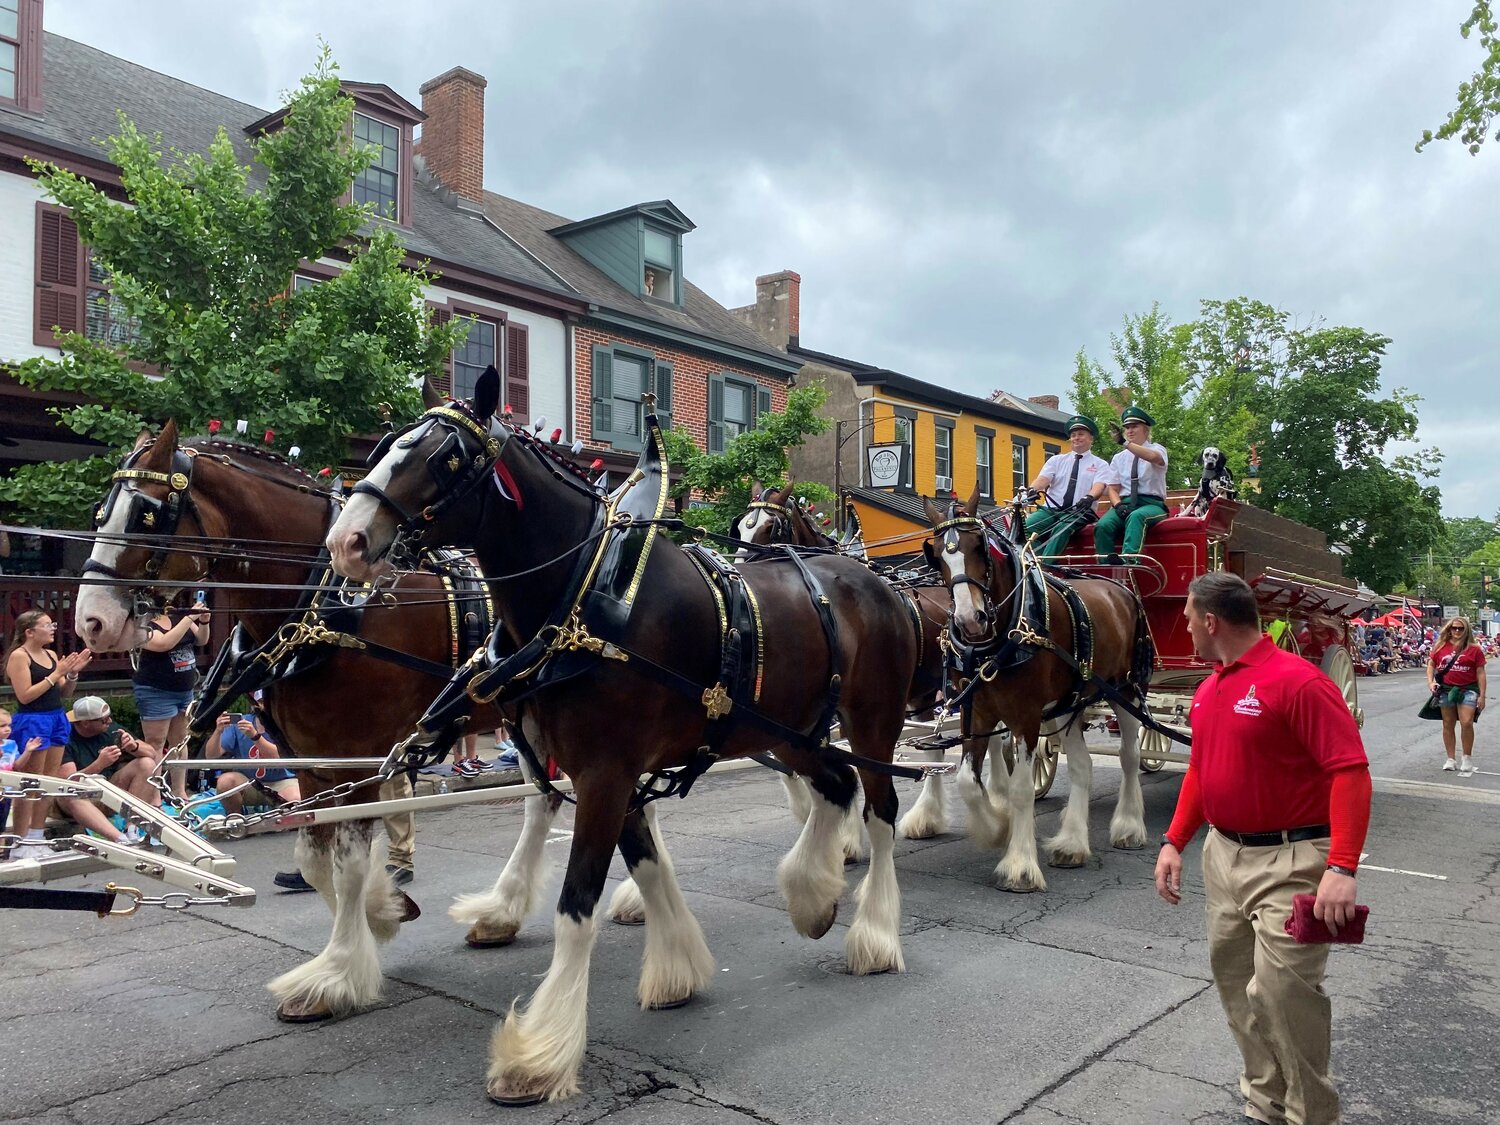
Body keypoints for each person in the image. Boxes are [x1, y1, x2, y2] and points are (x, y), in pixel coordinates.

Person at [1155, 573, 1371, 1125]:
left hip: (1293, 862)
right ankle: (1266, 1102)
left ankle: (1311, 1114)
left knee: (1284, 997)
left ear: (1211, 621)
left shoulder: (1297, 683)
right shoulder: (1211, 688)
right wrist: (1174, 841)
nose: (1184, 627)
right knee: (1236, 991)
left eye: (1187, 618)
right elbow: (1201, 771)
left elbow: (1349, 771)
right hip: (1224, 856)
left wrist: (1342, 866)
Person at [4, 610, 93, 857]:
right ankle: (19, 842)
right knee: (30, 782)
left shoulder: (51, 654)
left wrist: (72, 673)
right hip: (33, 719)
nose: (52, 628)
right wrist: (56, 674)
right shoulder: (19, 657)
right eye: (46, 625)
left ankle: (36, 835)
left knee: (49, 780)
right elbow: (25, 695)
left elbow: (64, 692)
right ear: (29, 632)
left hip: (56, 716)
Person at [133, 595, 211, 801]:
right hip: (156, 690)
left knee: (180, 741)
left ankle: (179, 791)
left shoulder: (179, 616)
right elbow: (164, 643)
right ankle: (154, 794)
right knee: (156, 743)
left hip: (184, 690)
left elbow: (202, 639)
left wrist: (203, 622)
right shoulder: (142, 626)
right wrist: (189, 618)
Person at [1022, 415, 1111, 557]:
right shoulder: (1057, 460)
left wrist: (1089, 497)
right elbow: (1043, 479)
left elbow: (1099, 486)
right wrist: (1032, 490)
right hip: (1051, 510)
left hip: (1079, 511)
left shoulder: (1100, 464)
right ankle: (1035, 562)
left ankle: (1046, 568)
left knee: (1061, 529)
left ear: (1091, 439)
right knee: (1023, 528)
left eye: (1081, 434)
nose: (1076, 438)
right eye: (1073, 435)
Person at [1092, 405, 1170, 565]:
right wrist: (1118, 505)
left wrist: (1124, 443)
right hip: (1125, 503)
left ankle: (1130, 561)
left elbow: (1153, 457)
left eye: (1134, 426)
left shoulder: (1157, 449)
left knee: (1137, 517)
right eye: (1127, 428)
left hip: (1152, 504)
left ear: (1146, 430)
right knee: (1102, 525)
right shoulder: (1119, 458)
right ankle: (1105, 567)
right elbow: (1113, 488)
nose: (1129, 431)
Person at [62, 696, 162, 807]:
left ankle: (132, 823)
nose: (109, 721)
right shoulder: (65, 739)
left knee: (146, 763)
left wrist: (133, 747)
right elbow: (67, 783)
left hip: (110, 789)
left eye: (110, 717)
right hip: (81, 797)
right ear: (85, 723)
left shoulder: (110, 729)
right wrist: (99, 765)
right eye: (104, 720)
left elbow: (152, 754)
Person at [1428, 616, 1486, 775]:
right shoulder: (1440, 646)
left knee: (1467, 722)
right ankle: (1450, 758)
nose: (1457, 631)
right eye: (1454, 628)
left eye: (1461, 628)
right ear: (1449, 629)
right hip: (1446, 689)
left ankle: (1467, 757)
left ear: (1466, 630)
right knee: (1448, 723)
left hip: (1468, 689)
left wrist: (1482, 695)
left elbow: (1480, 672)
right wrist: (1431, 682)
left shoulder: (1474, 649)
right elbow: (1431, 664)